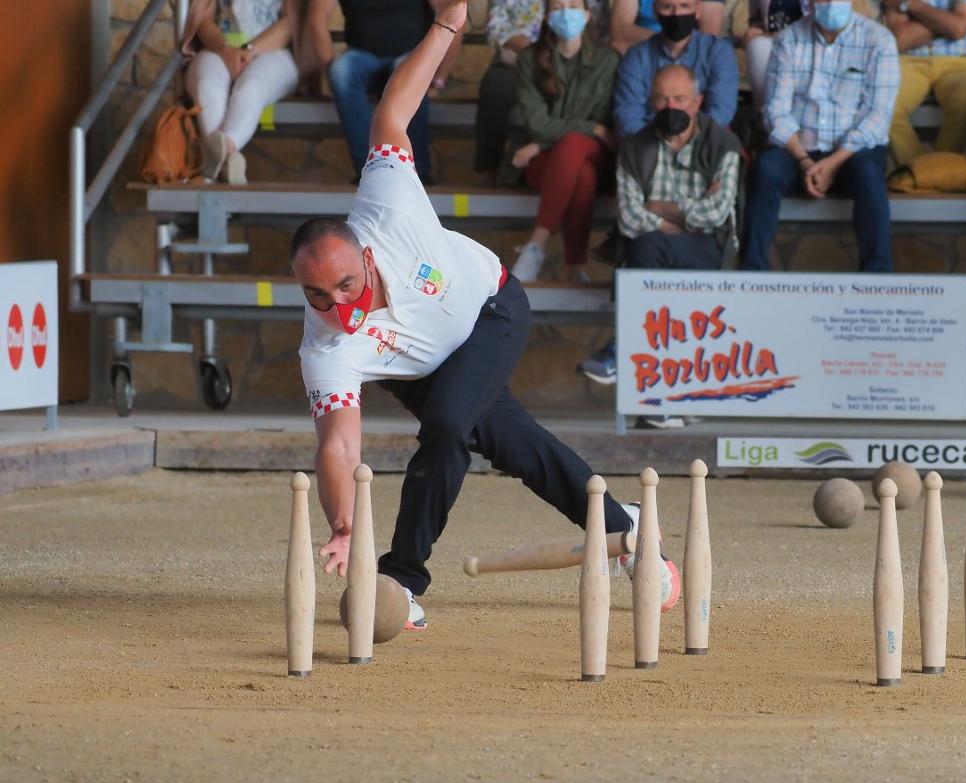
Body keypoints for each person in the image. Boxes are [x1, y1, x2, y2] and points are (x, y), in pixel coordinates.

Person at [292, 0, 680, 627]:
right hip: (427, 365)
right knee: (518, 448)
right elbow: (338, 445)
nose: (335, 304)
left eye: (344, 284)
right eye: (316, 296)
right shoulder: (324, 349)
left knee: (447, 426)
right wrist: (340, 523)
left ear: (364, 255)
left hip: (491, 309)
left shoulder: (386, 203)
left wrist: (446, 26)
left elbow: (393, 109)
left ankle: (401, 576)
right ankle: (626, 528)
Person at [578, 65, 742, 429]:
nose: (671, 106)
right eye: (663, 99)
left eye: (680, 99)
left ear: (697, 102)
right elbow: (630, 218)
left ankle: (624, 354)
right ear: (651, 102)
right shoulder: (635, 148)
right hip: (657, 247)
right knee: (647, 246)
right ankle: (661, 404)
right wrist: (684, 217)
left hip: (707, 248)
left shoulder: (723, 145)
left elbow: (716, 215)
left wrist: (663, 211)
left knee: (648, 250)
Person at [741, 0, 899, 273]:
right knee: (765, 169)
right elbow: (775, 111)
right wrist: (804, 160)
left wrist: (834, 162)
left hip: (853, 152)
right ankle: (750, 274)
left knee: (869, 173)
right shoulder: (788, 40)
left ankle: (878, 277)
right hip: (800, 150)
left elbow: (877, 116)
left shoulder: (879, 40)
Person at [509, 0, 619, 283]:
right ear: (547, 16)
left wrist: (540, 142)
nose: (566, 13)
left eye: (572, 5)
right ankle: (576, 267)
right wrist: (590, 127)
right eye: (558, 7)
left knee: (574, 145)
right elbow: (538, 124)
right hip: (548, 164)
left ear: (587, 14)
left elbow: (607, 126)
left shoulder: (608, 60)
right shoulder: (529, 60)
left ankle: (536, 244)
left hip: (597, 154)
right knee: (581, 172)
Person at [305, 0, 463, 179]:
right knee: (340, 72)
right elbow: (316, 17)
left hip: (410, 56)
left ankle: (418, 175)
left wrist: (439, 77)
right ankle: (370, 172)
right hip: (361, 56)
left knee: (414, 78)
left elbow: (452, 12)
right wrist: (331, 75)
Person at [474, 0, 606, 185]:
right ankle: (489, 168)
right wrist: (534, 51)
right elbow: (496, 27)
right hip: (519, 61)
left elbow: (601, 28)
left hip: (576, 59)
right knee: (496, 86)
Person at [182, 0, 299, 184]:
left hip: (273, 50)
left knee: (252, 87)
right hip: (219, 47)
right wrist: (226, 50)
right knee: (207, 86)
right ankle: (229, 162)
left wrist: (249, 51)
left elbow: (293, 21)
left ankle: (220, 158)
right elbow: (202, 19)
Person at [880, 0, 966, 166]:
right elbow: (902, 38)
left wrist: (910, 4)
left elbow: (958, 28)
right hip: (910, 61)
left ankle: (929, 173)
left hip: (965, 62)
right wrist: (952, 23)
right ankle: (925, 173)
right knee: (883, 102)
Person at [613, 0, 739, 137]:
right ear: (655, 11)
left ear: (697, 10)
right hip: (648, 145)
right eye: (667, 7)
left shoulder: (718, 52)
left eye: (684, 6)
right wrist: (656, 146)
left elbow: (721, 111)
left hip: (703, 143)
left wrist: (689, 142)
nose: (676, 13)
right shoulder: (636, 57)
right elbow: (628, 117)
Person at [743, 0, 812, 111]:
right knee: (757, 47)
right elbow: (756, 20)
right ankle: (764, 115)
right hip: (772, 44)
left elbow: (816, 25)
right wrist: (753, 31)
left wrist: (771, 35)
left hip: (805, 43)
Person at [610, 0, 727, 54]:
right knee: (618, 47)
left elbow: (709, 37)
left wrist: (678, 44)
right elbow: (620, 30)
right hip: (644, 47)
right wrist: (667, 41)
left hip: (689, 50)